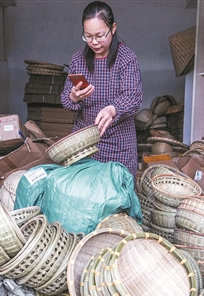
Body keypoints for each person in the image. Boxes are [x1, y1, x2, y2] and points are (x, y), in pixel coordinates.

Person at [61, 1, 143, 179]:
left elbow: (133, 97)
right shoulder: (78, 60)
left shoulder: (126, 58)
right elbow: (66, 101)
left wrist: (112, 109)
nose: (94, 42)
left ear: (113, 28)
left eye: (100, 35)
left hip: (118, 144)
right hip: (84, 144)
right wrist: (74, 97)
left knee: (116, 195)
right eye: (88, 36)